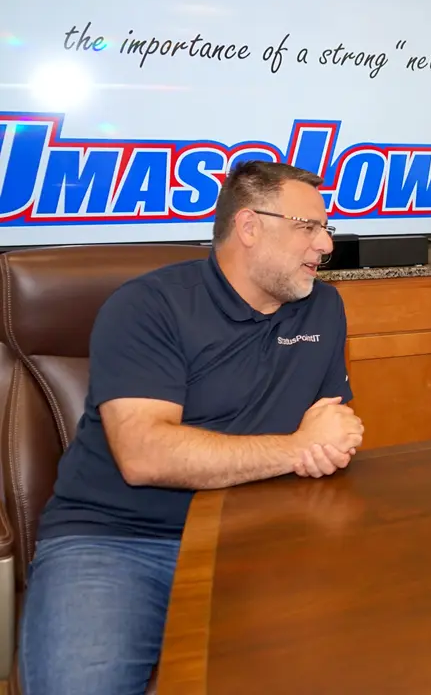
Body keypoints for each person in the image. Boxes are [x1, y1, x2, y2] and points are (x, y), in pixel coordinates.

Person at [18, 161, 365, 694]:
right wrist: (297, 448)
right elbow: (145, 455)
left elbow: (330, 429)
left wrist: (326, 443)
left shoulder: (321, 308)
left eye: (326, 228)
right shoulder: (148, 306)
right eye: (309, 227)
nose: (326, 244)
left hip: (259, 531)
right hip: (116, 539)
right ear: (249, 226)